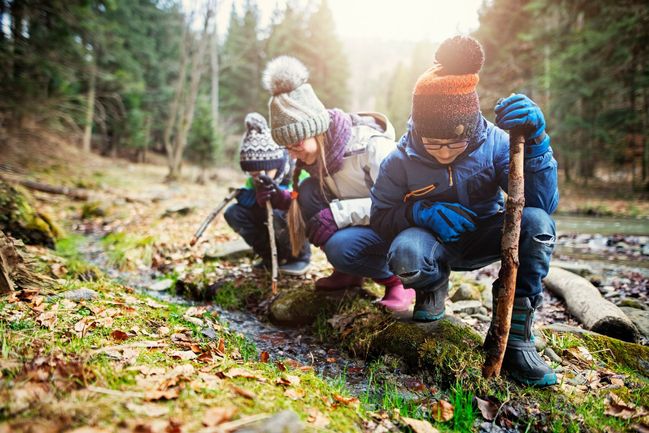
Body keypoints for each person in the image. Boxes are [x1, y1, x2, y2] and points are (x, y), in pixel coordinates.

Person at [370, 36, 559, 386]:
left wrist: (537, 145)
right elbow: (380, 218)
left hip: (487, 234)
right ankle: (432, 286)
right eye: (433, 143)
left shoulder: (498, 145)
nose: (443, 153)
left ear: (471, 128)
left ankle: (516, 337)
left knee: (537, 224)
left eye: (454, 142)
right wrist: (418, 214)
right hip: (431, 245)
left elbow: (542, 208)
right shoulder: (398, 160)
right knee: (406, 253)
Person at [261, 55, 415, 311]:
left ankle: (400, 281)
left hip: (395, 227)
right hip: (361, 223)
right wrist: (280, 197)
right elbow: (313, 202)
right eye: (286, 147)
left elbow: (400, 205)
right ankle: (348, 273)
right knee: (308, 191)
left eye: (295, 144)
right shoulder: (317, 157)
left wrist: (338, 215)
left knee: (340, 247)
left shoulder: (371, 146)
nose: (292, 153)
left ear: (315, 129)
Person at [224, 112, 311, 276]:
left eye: (261, 172)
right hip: (267, 219)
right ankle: (269, 255)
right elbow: (252, 198)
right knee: (234, 213)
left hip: (292, 218)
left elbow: (306, 199)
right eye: (252, 174)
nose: (257, 177)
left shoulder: (296, 170)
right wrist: (247, 196)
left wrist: (282, 196)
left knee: (281, 213)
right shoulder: (255, 179)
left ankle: (299, 257)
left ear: (275, 164)